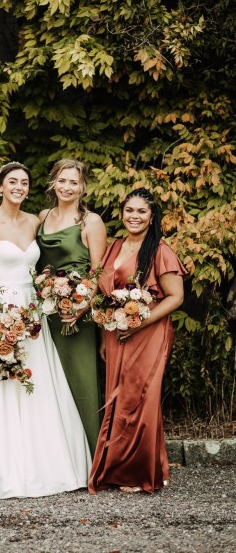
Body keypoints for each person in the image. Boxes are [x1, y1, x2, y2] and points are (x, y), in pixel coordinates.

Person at [0, 161, 91, 499]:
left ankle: (47, 467)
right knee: (0, 385)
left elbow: (45, 265)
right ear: (0, 186)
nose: (19, 187)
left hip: (33, 310)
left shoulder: (36, 221)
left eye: (25, 182)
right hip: (0, 309)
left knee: (37, 384)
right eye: (13, 181)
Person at [88, 187, 187, 495]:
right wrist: (106, 337)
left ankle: (138, 472)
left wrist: (142, 321)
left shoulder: (159, 250)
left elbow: (176, 297)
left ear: (151, 217)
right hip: (118, 332)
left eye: (141, 211)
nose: (134, 216)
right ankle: (120, 468)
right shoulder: (114, 246)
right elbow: (105, 294)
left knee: (139, 398)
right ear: (122, 213)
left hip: (149, 332)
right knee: (118, 399)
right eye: (129, 210)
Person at [36, 159, 106, 454]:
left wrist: (80, 305)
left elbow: (98, 272)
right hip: (48, 311)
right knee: (50, 384)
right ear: (53, 182)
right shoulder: (43, 216)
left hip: (78, 312)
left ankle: (94, 457)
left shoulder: (90, 221)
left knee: (81, 382)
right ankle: (60, 458)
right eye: (62, 180)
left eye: (73, 182)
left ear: (83, 187)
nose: (67, 187)